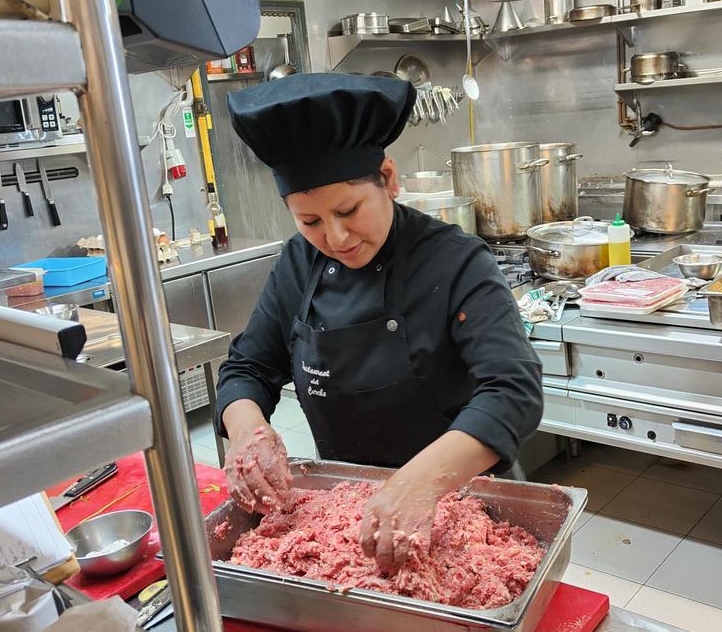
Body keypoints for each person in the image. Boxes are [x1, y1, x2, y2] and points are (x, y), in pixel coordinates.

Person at [215, 73, 542, 573]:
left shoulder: (456, 261)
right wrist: (246, 431)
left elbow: (512, 391)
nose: (336, 236)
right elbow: (248, 367)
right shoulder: (299, 264)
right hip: (350, 504)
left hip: (465, 501)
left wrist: (419, 484)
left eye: (348, 210)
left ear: (388, 178)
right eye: (310, 221)